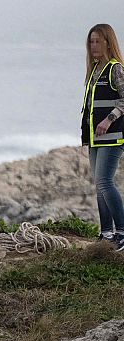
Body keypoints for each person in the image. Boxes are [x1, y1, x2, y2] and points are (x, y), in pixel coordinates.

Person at [84, 24, 124, 248]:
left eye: (98, 41)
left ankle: (123, 233)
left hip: (113, 136)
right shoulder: (95, 69)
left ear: (108, 42)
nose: (94, 46)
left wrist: (109, 119)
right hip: (94, 138)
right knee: (99, 186)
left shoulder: (115, 68)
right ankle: (107, 233)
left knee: (105, 182)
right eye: (91, 41)